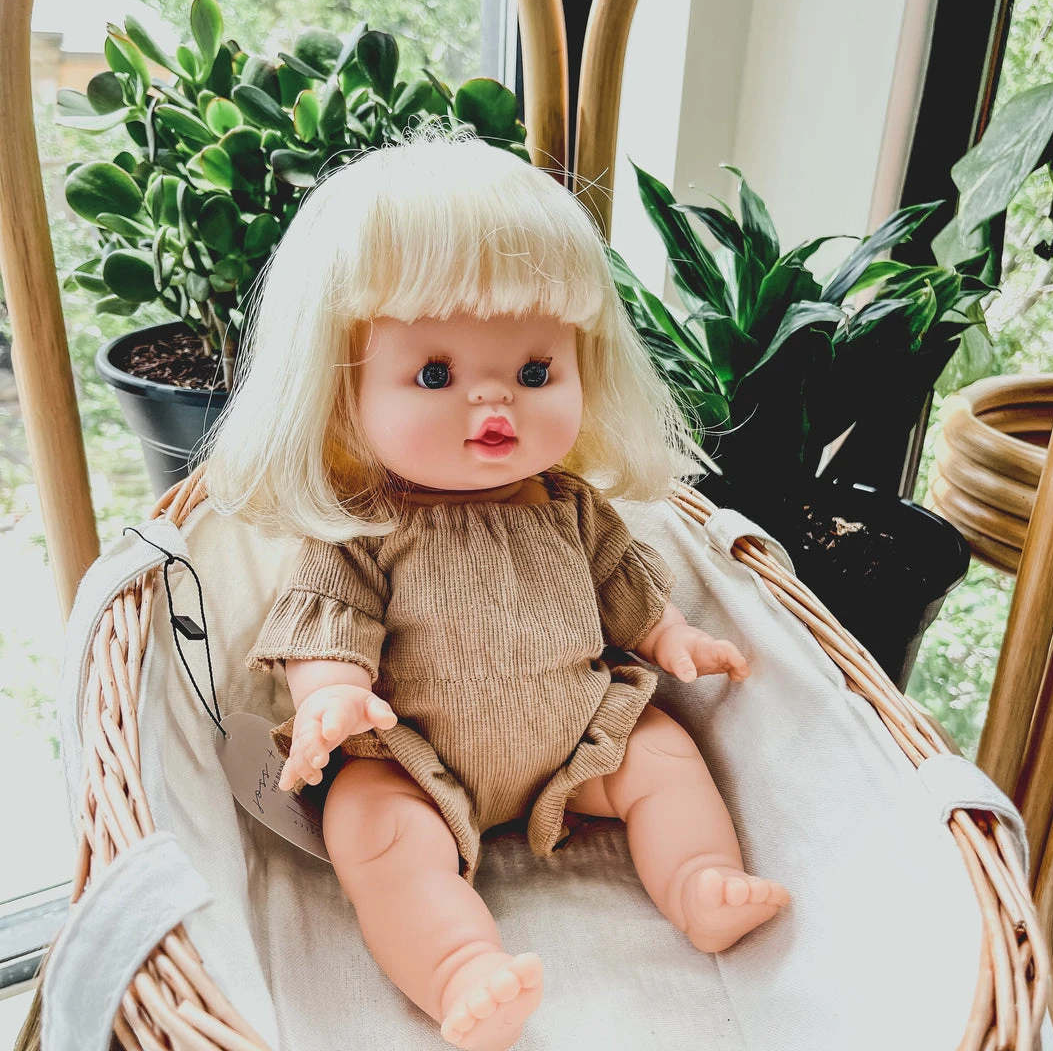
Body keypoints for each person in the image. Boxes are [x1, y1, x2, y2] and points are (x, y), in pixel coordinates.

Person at [205, 129, 788, 1051]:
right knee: (371, 831)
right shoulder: (365, 529)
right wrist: (331, 697)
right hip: (415, 762)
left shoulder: (573, 508)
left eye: (534, 372)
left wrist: (673, 639)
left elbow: (628, 594)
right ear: (344, 394)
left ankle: (698, 882)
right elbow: (328, 626)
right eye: (436, 374)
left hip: (578, 741)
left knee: (665, 755)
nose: (495, 403)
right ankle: (459, 969)